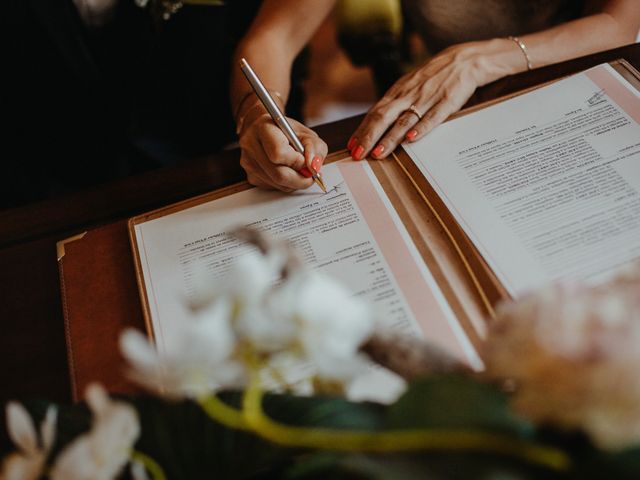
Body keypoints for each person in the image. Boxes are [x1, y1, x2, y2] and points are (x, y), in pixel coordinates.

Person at [231, 0, 640, 192]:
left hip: (588, 85)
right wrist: (255, 116)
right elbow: (275, 37)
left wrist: (476, 61)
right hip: (462, 115)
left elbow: (618, 25)